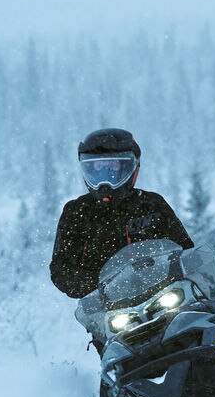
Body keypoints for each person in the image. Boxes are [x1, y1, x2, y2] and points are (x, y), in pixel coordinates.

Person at [49, 127, 196, 300]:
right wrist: (102, 284)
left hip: (162, 295)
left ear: (132, 168)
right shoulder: (77, 211)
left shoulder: (152, 205)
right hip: (109, 306)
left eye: (112, 169)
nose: (105, 181)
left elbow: (187, 253)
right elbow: (61, 270)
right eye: (97, 170)